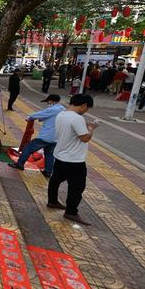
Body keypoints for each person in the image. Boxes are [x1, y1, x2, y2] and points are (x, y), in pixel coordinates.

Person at [47, 94, 97, 226]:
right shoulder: (77, 118)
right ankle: (71, 211)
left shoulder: (62, 115)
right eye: (87, 108)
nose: (86, 111)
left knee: (56, 179)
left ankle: (52, 201)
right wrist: (91, 129)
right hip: (74, 160)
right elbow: (85, 138)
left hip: (60, 155)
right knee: (77, 186)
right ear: (84, 105)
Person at [8, 94, 65, 177]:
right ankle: (48, 171)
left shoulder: (53, 109)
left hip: (46, 136)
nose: (48, 103)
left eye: (48, 102)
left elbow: (39, 114)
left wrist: (30, 117)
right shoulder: (63, 109)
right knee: (49, 154)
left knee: (28, 148)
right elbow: (47, 118)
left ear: (52, 101)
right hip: (56, 138)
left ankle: (20, 164)